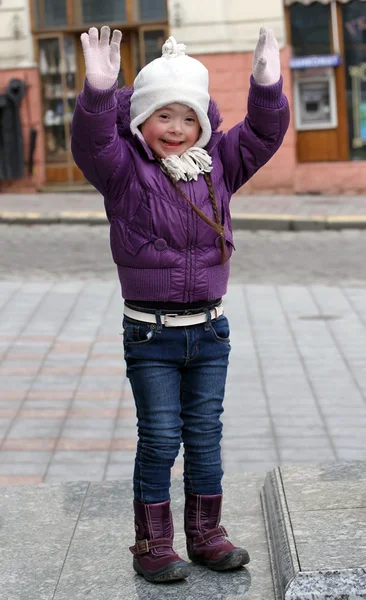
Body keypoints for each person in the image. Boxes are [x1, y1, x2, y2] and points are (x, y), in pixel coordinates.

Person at [71, 26, 289, 584]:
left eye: (188, 117)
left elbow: (262, 135)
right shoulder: (124, 172)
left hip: (210, 332)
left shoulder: (218, 163)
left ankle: (206, 533)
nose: (176, 128)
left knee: (206, 434)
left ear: (203, 123)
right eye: (163, 116)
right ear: (142, 119)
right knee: (162, 435)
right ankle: (153, 543)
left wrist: (266, 84)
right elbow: (94, 143)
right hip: (151, 334)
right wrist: (99, 92)